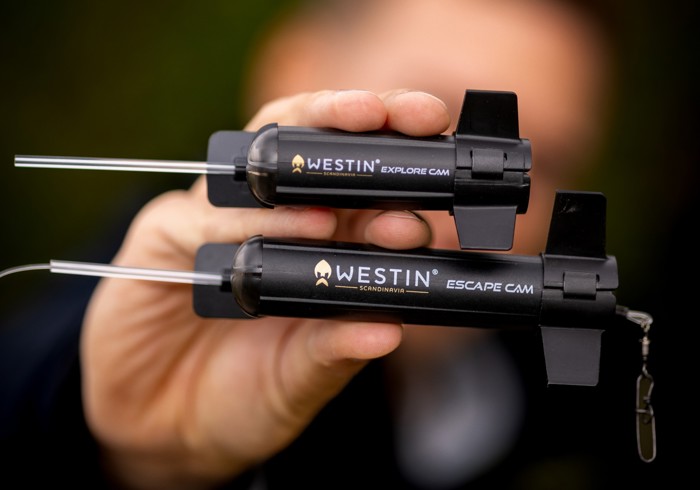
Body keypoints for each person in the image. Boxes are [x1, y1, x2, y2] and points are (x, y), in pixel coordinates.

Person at [2, 0, 651, 488]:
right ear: (294, 69)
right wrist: (127, 456)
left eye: (549, 159)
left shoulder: (567, 409)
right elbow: (25, 382)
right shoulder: (156, 279)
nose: (471, 208)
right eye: (439, 126)